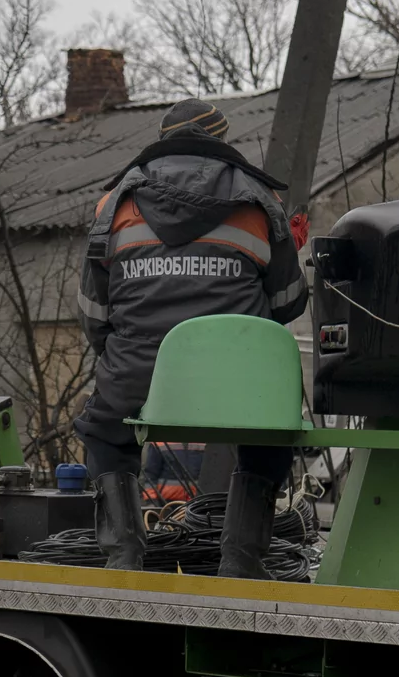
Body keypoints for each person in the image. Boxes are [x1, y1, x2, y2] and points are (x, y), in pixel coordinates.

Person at [77, 99, 307, 578]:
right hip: (241, 377)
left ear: (163, 139)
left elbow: (95, 314)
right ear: (222, 140)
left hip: (138, 370)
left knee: (104, 430)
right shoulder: (261, 201)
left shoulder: (113, 203)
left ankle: (124, 556)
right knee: (273, 431)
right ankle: (240, 560)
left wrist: (124, 363)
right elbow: (288, 302)